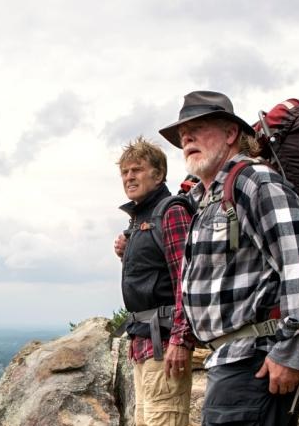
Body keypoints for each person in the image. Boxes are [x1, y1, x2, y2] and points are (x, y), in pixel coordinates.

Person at [158, 91, 299, 426]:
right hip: (233, 360)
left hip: (256, 360)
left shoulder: (253, 181)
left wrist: (291, 353)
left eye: (198, 128)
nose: (187, 139)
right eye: (182, 136)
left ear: (230, 134)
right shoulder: (209, 197)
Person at [114, 137, 195, 426]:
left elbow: (186, 280)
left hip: (164, 344)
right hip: (144, 343)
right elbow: (153, 273)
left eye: (137, 169)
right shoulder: (140, 219)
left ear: (158, 174)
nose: (129, 177)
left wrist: (180, 340)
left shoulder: (171, 211)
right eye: (124, 172)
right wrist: (127, 253)